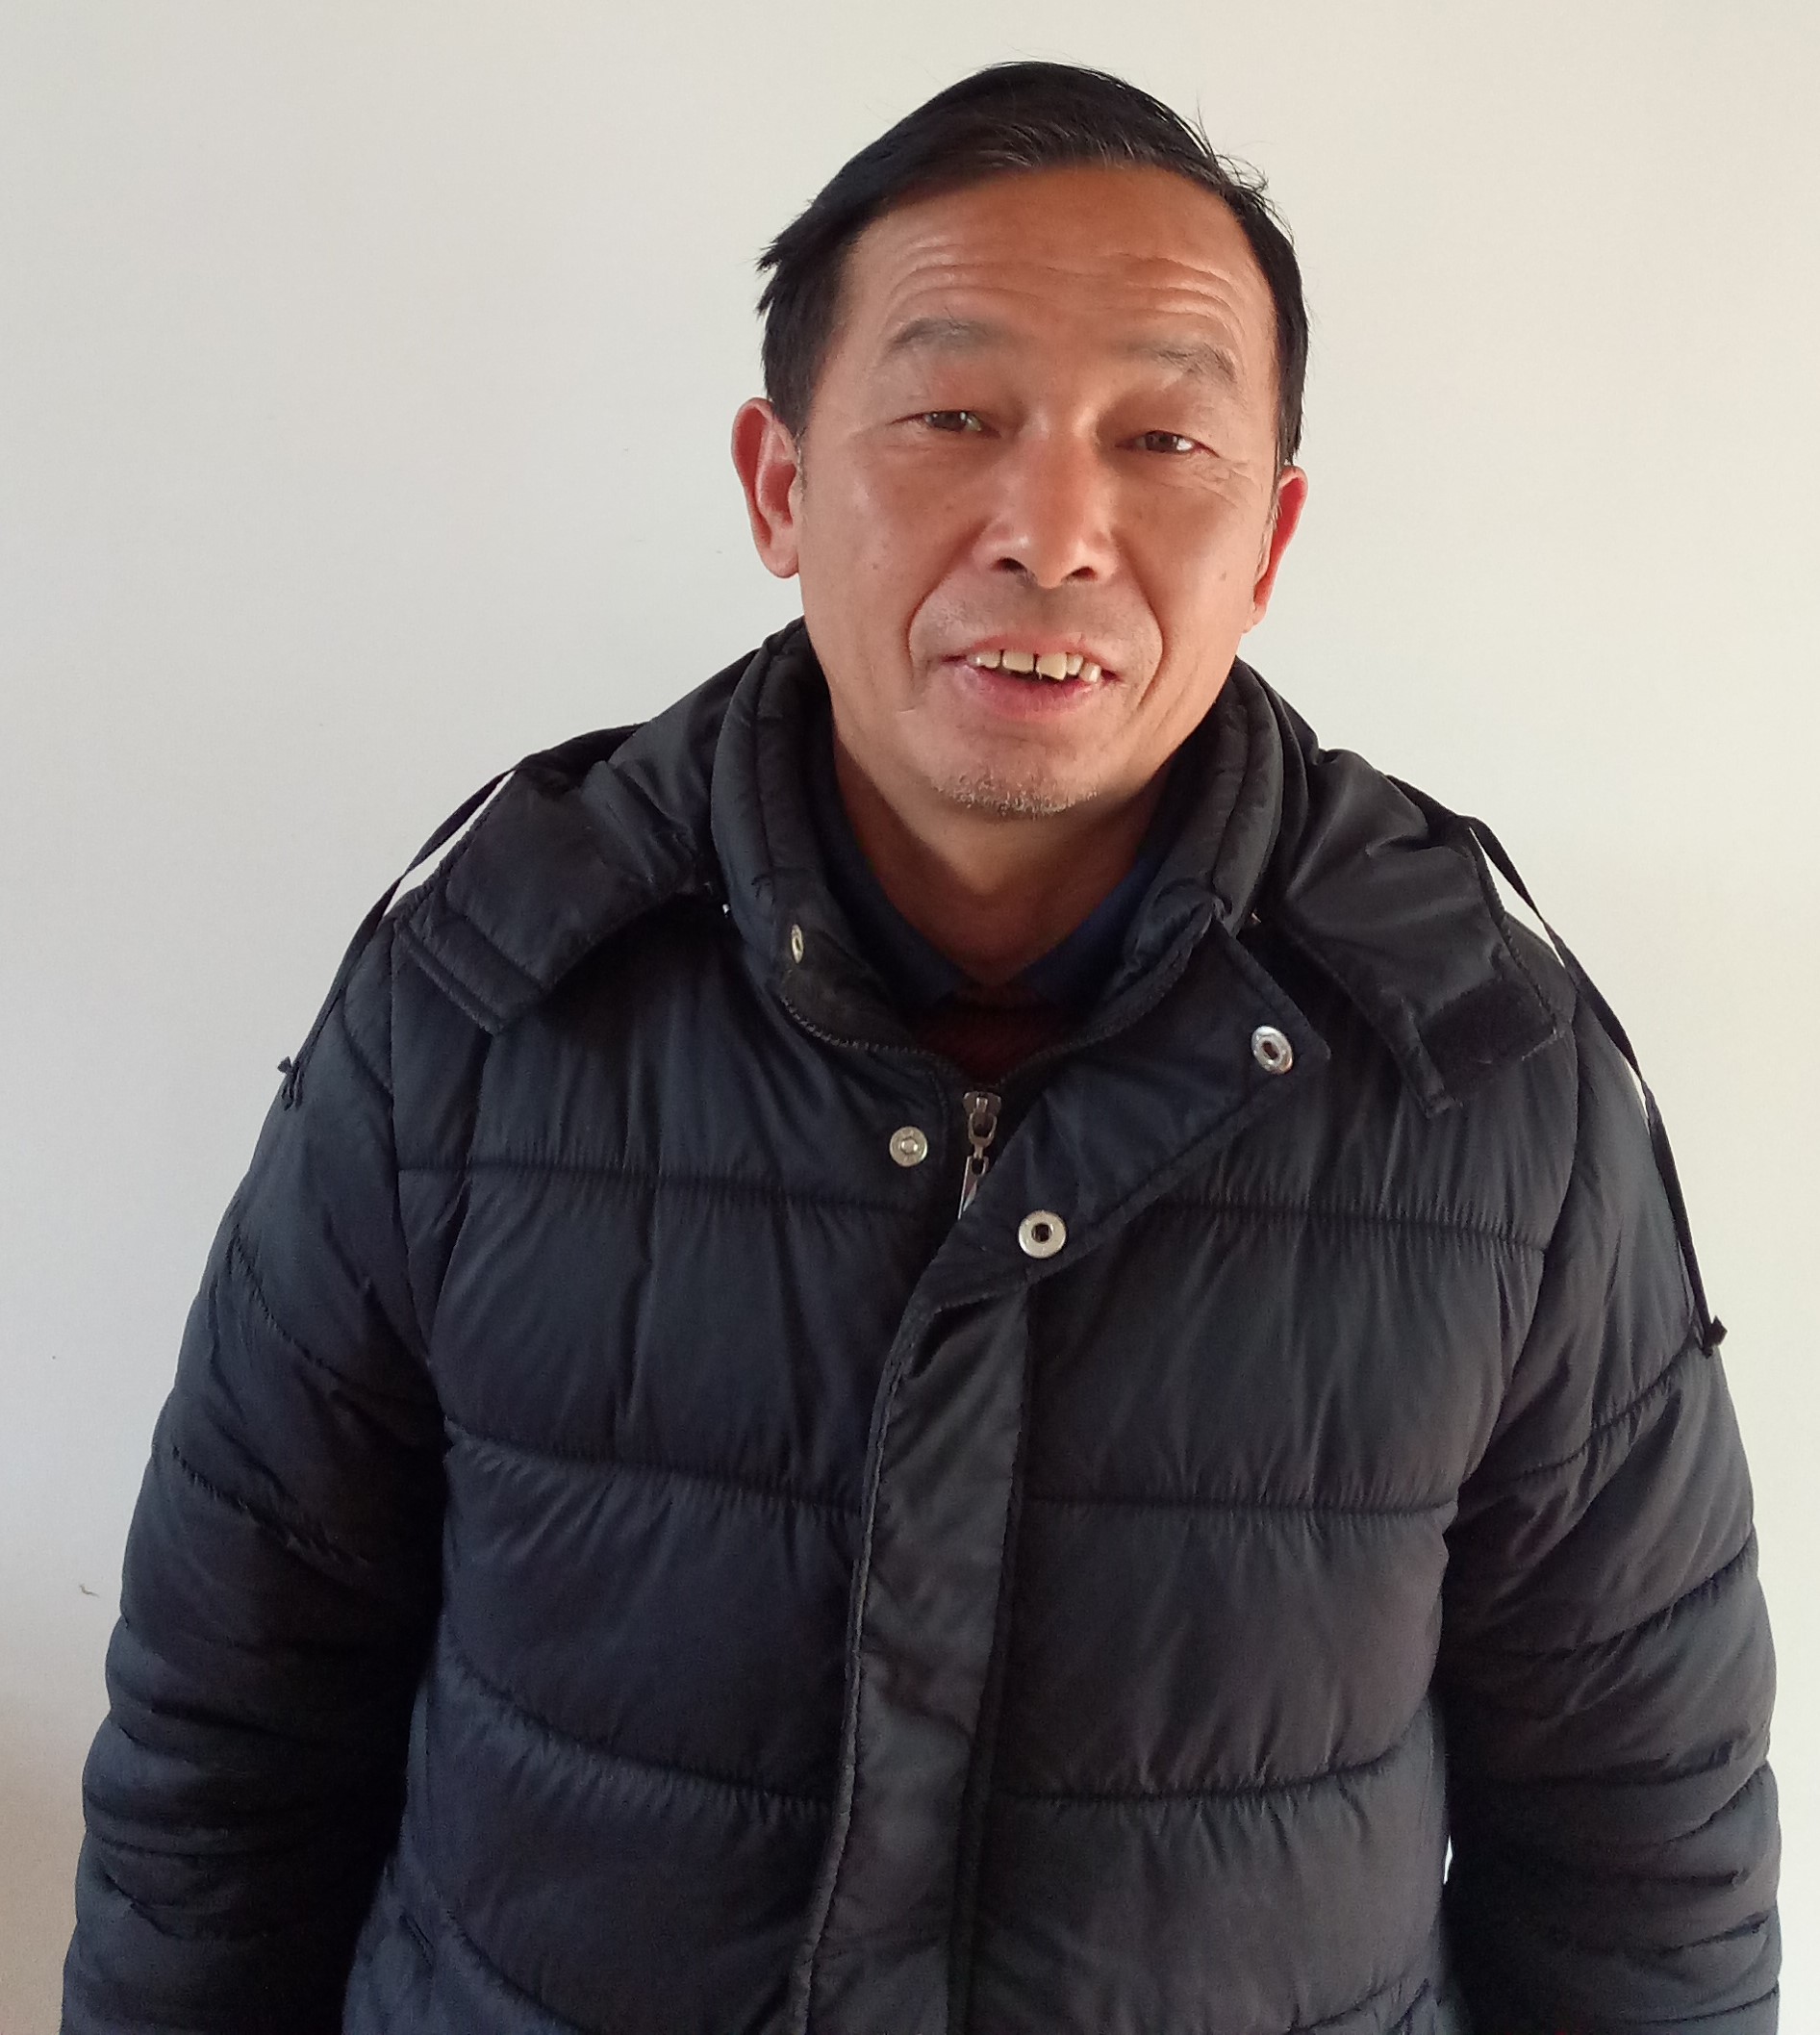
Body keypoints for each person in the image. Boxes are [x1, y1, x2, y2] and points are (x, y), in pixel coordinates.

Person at [64, 60, 1778, 2035]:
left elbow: (1643, 1850)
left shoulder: (1482, 1068)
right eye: (955, 416)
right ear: (780, 486)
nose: (1053, 530)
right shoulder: (481, 993)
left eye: (1162, 438)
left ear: (1272, 536)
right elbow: (228, 1743)